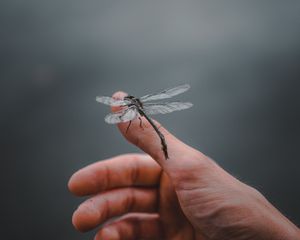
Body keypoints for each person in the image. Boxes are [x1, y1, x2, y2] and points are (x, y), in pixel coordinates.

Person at [68, 92, 300, 240]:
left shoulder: (131, 111)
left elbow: (122, 117)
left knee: (140, 127)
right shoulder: (136, 108)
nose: (130, 103)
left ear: (131, 104)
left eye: (130, 102)